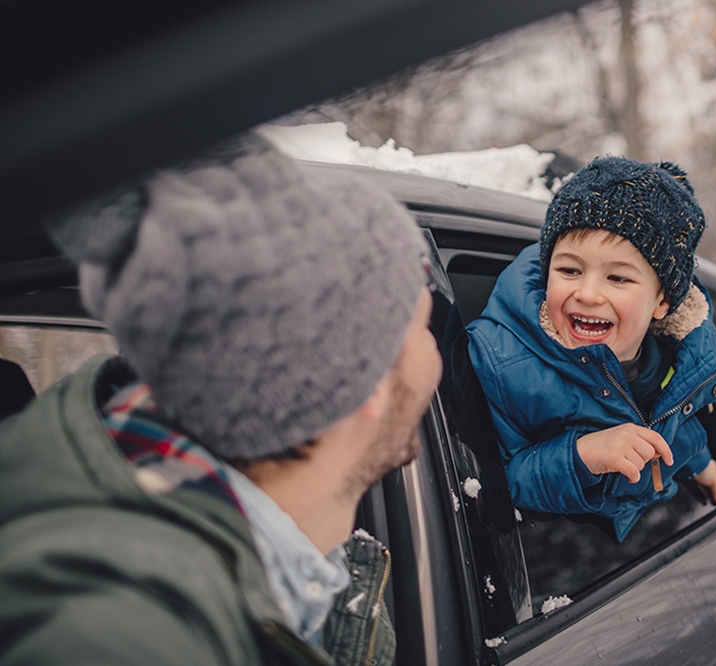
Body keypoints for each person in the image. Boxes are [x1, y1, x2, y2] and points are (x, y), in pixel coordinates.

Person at [0, 135, 440, 665]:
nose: (435, 353)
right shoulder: (124, 640)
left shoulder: (274, 570)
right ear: (366, 379)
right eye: (422, 327)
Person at [466, 157, 716, 542]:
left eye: (618, 278)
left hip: (650, 536)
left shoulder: (680, 361)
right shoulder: (503, 367)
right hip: (562, 557)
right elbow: (490, 488)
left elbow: (676, 424)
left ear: (662, 303)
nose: (587, 293)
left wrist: (699, 464)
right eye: (569, 271)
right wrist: (582, 456)